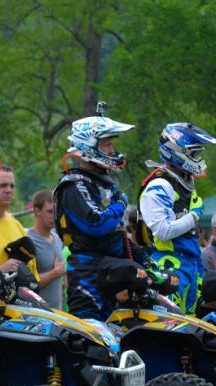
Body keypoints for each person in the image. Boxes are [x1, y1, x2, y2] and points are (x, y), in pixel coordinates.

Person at [55, 110, 139, 319]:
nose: (112, 150)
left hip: (111, 270)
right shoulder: (74, 185)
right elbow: (96, 223)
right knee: (92, 337)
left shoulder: (105, 184)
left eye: (111, 145)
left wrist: (146, 263)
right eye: (107, 145)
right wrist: (120, 203)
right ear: (89, 145)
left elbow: (118, 235)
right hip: (87, 272)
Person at [136, 122, 216, 315]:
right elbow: (162, 231)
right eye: (193, 154)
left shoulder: (184, 181)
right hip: (167, 263)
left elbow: (190, 235)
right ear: (176, 150)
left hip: (189, 261)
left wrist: (199, 268)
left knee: (190, 321)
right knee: (170, 322)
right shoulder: (160, 185)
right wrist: (194, 215)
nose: (197, 159)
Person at [27, 189, 66, 310]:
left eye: (56, 211)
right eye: (50, 212)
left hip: (58, 313)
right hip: (38, 315)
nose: (54, 216)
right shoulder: (28, 241)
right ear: (37, 211)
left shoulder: (57, 238)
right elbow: (26, 285)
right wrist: (54, 273)